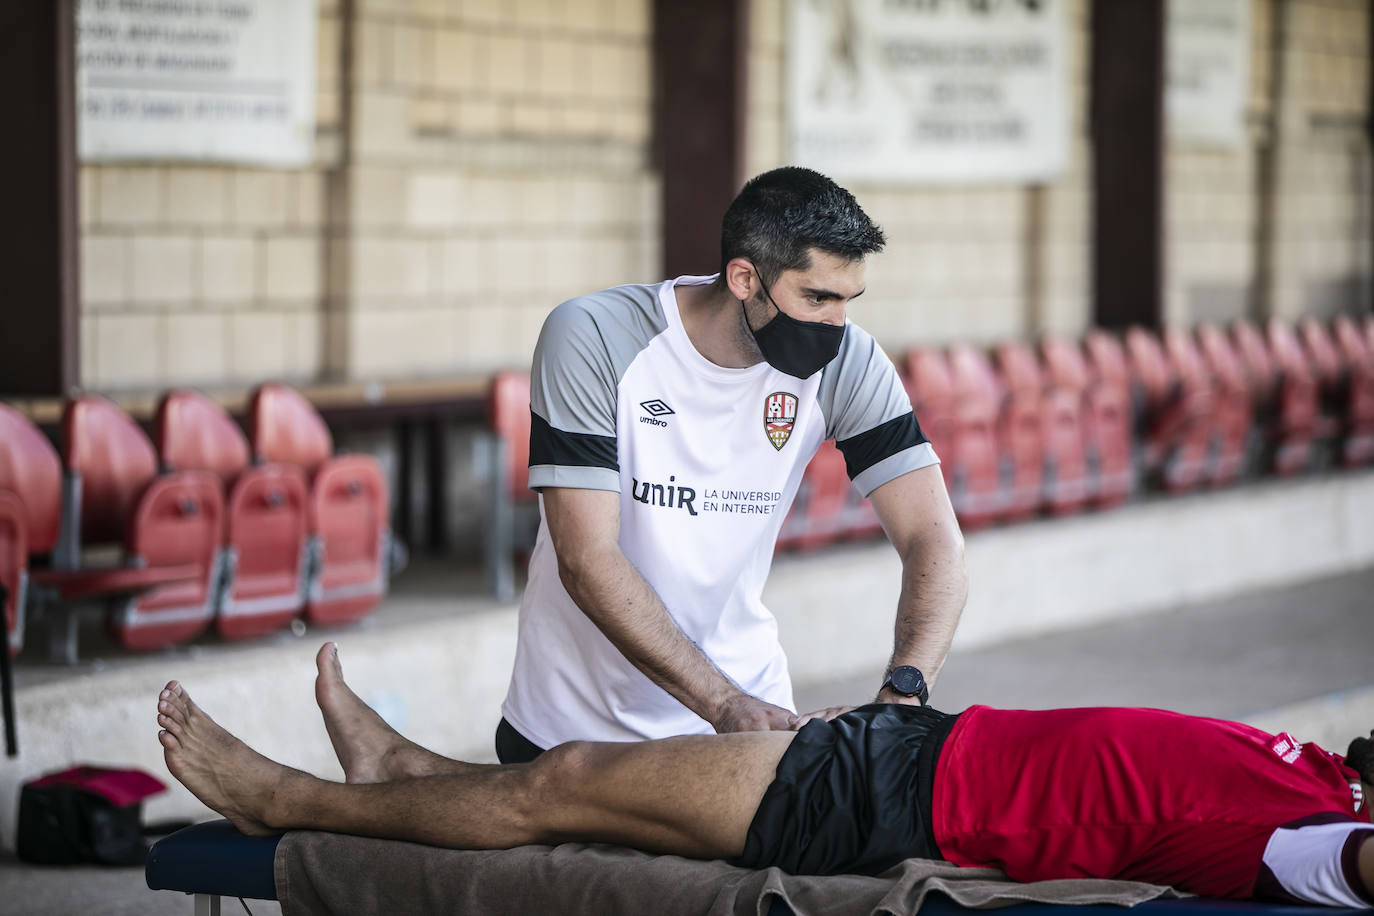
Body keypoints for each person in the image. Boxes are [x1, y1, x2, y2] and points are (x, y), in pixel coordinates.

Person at [159, 643, 1373, 906]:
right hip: (928, 745)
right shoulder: (1340, 779)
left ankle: (294, 803)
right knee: (583, 791)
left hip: (898, 795)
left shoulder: (1334, 847)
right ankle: (402, 767)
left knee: (567, 783)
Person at [499, 166, 968, 762]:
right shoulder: (594, 337)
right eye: (817, 297)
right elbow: (587, 558)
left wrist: (905, 694)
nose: (837, 325)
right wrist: (721, 703)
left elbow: (935, 541)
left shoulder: (849, 360)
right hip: (571, 729)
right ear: (745, 278)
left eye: (849, 300)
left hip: (750, 720)